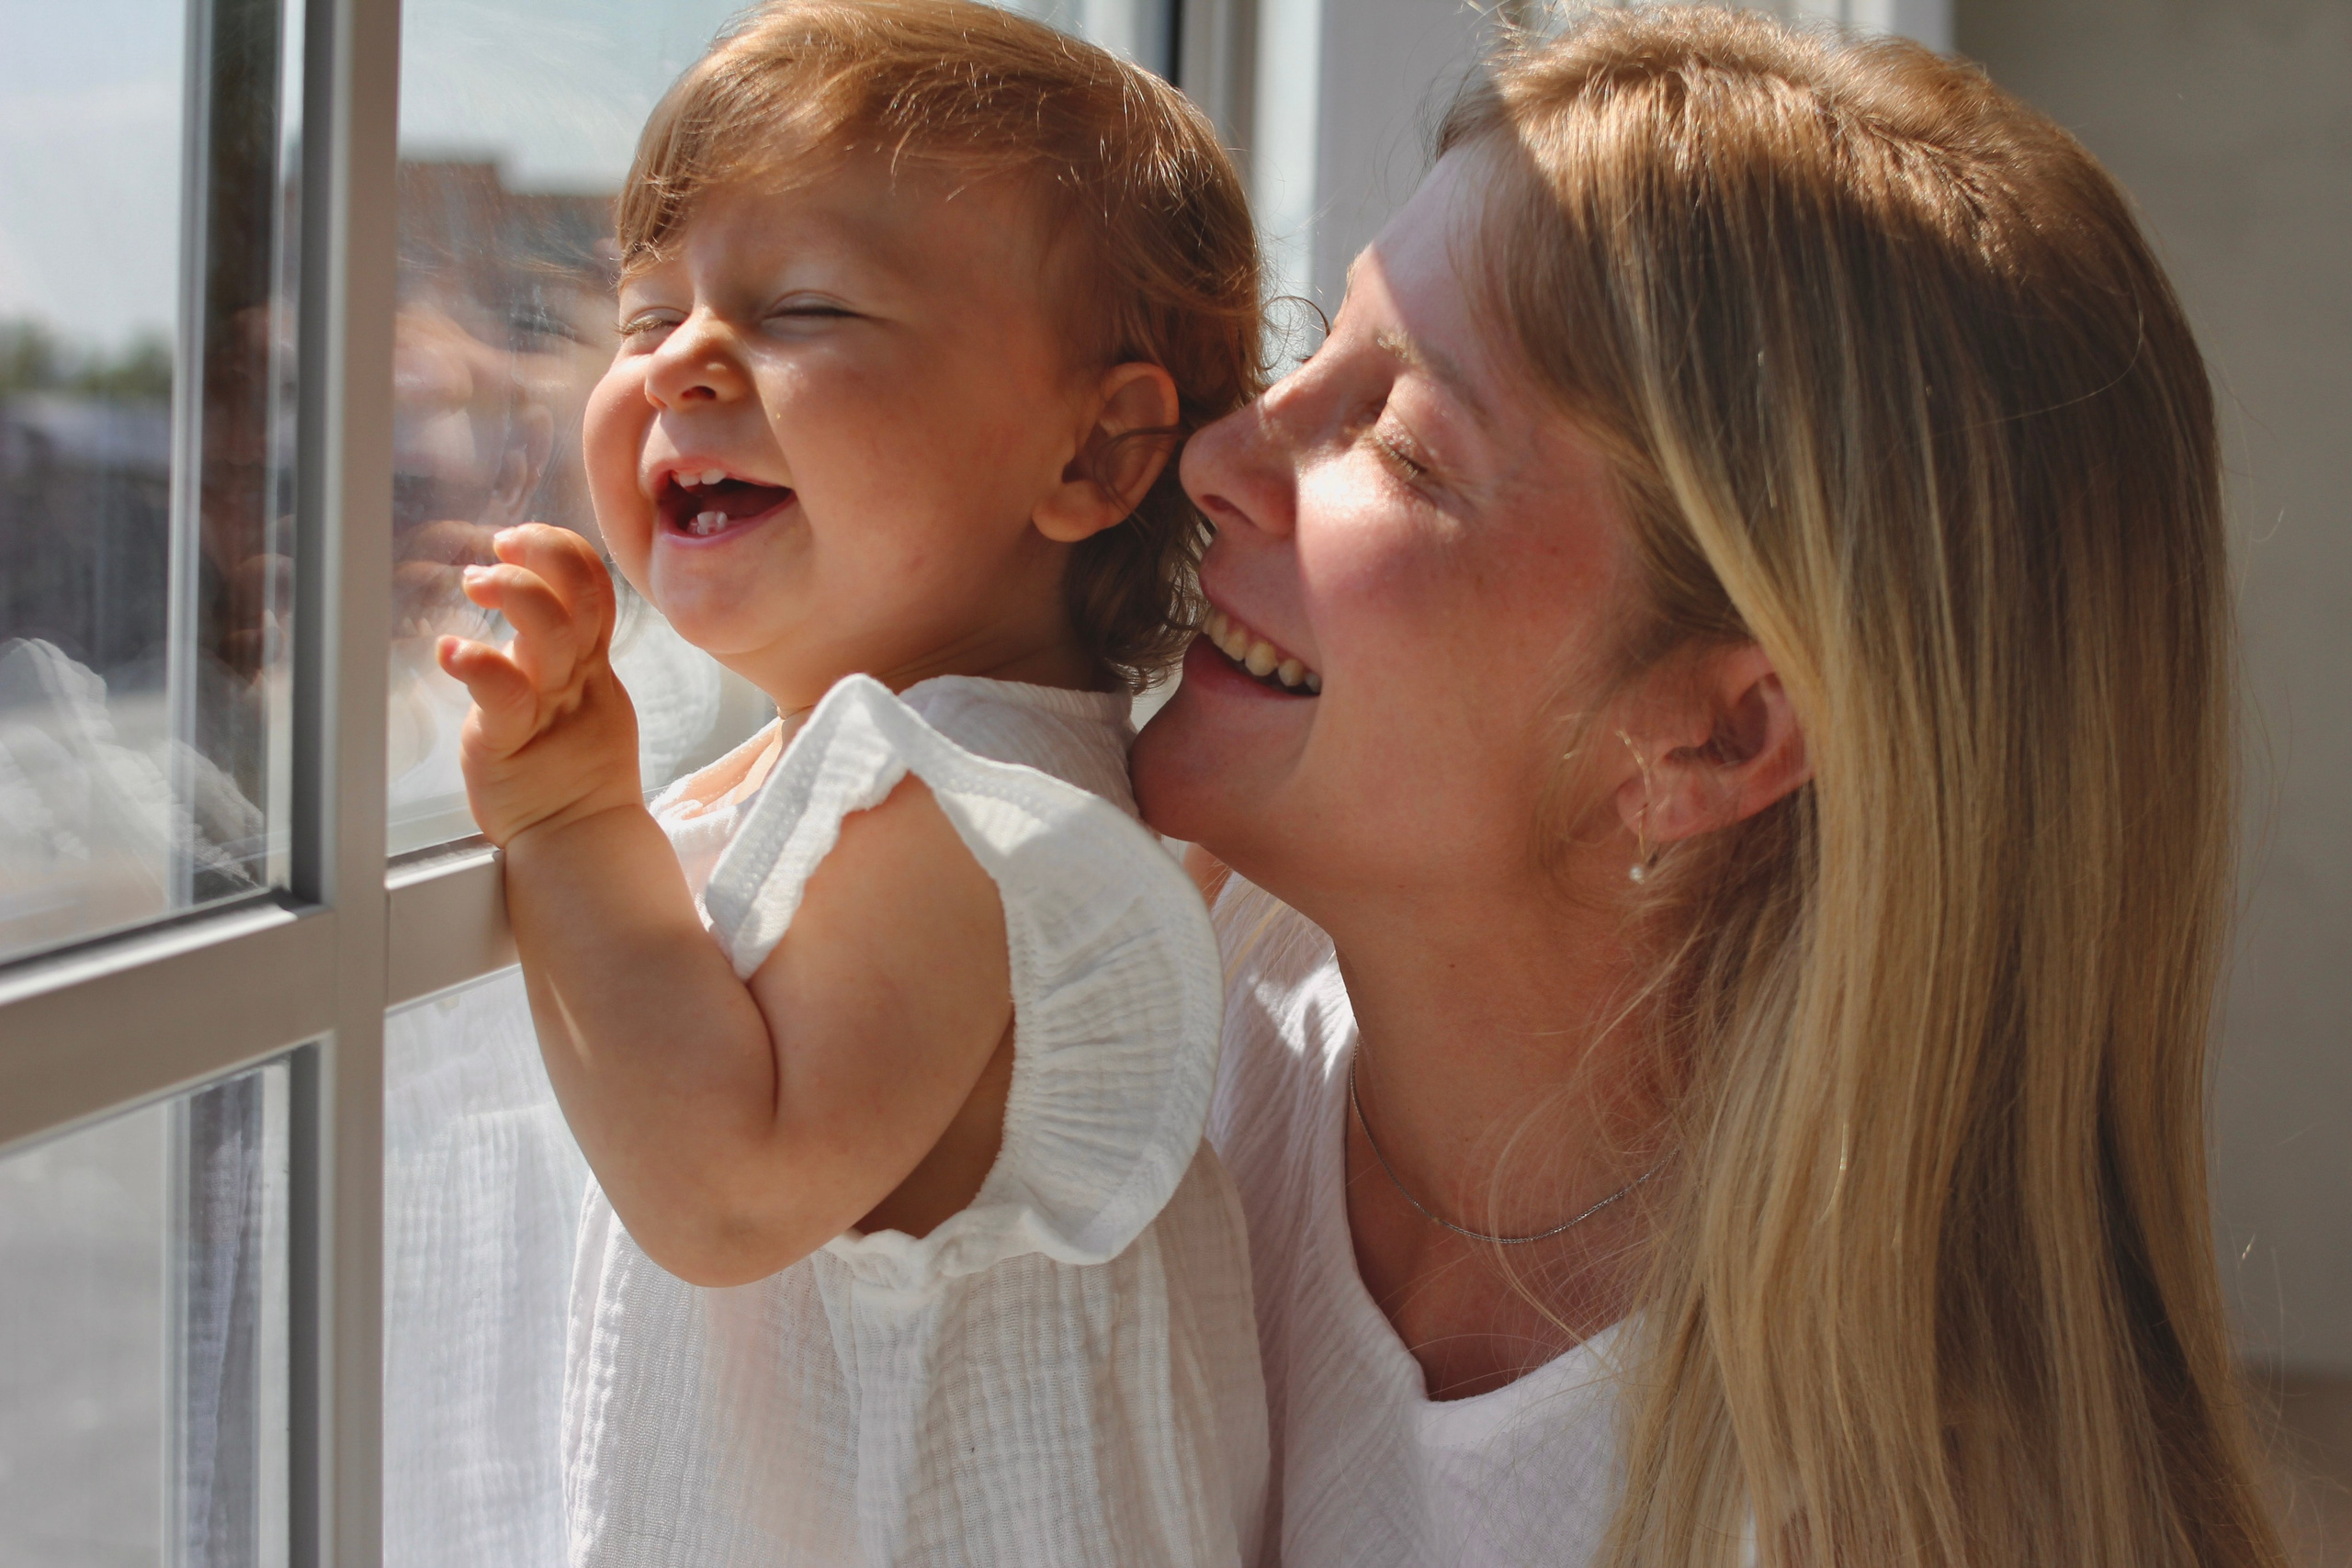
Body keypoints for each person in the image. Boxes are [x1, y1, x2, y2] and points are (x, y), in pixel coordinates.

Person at [1133, 8, 2290, 1566]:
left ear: (1716, 740)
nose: (1224, 450)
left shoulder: (1882, 1518)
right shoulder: (1139, 1009)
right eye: (1303, 351)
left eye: (1403, 447)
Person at [435, 4, 1268, 1562]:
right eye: (643, 314)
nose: (682, 358)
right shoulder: (893, 762)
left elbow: (729, 1194)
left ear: (1093, 458)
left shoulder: (962, 802)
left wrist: (567, 819)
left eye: (802, 308)